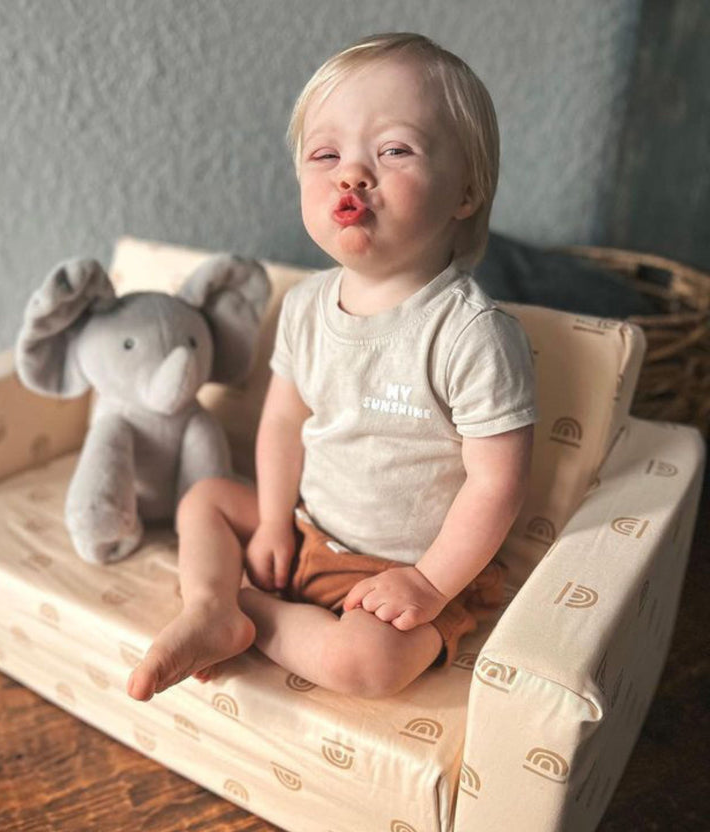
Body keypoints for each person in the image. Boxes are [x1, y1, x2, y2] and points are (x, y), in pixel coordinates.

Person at [127, 32, 538, 701]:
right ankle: (208, 606)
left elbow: (497, 486)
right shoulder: (306, 305)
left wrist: (430, 583)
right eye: (326, 154)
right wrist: (268, 520)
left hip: (406, 568)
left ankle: (247, 614)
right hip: (307, 529)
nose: (352, 174)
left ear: (465, 190)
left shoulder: (470, 334)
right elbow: (285, 421)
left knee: (368, 666)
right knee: (204, 498)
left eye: (394, 150)